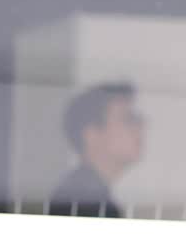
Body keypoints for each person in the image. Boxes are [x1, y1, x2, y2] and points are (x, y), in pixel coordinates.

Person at [48, 81, 144, 217]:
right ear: (92, 135)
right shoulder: (84, 199)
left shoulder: (84, 195)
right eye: (127, 119)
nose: (139, 127)